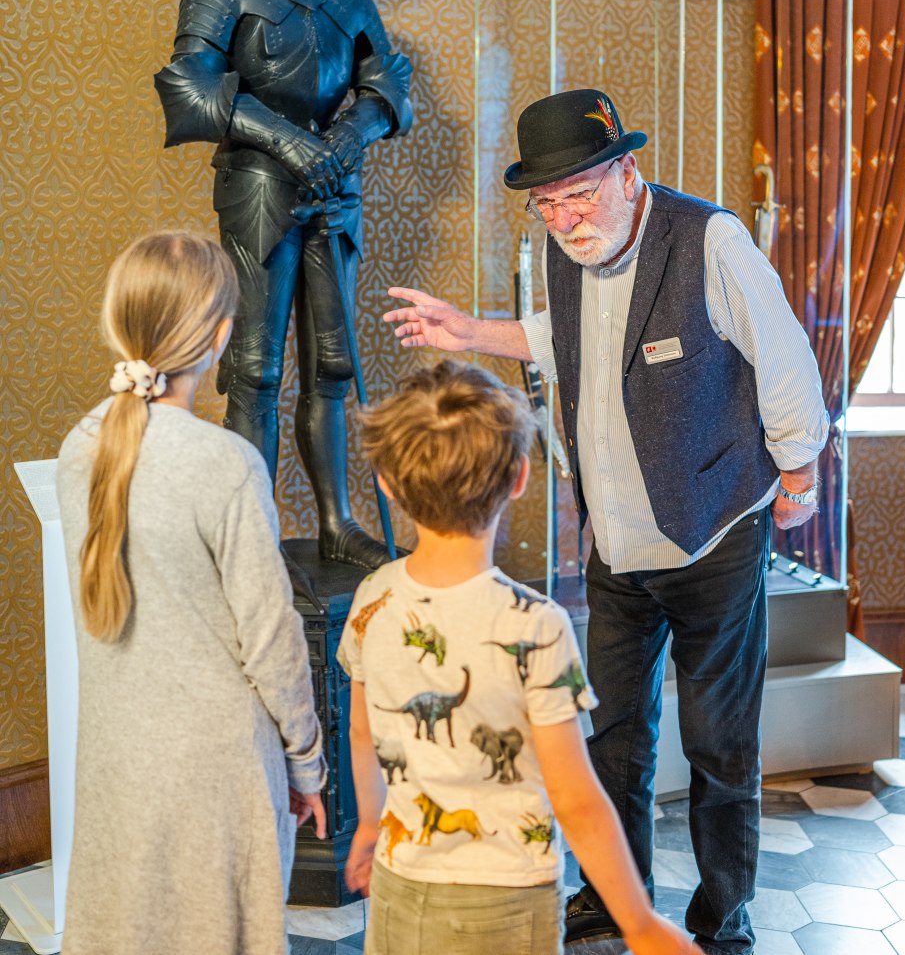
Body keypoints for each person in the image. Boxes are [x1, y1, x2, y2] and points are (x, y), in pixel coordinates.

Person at [382, 89, 829, 955]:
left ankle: (721, 918)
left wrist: (800, 473)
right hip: (616, 546)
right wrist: (466, 328)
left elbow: (783, 355)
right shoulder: (565, 253)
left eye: (579, 193)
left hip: (714, 536)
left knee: (718, 743)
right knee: (614, 737)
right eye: (546, 202)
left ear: (628, 170)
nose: (564, 217)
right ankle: (614, 902)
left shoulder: (710, 239)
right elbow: (563, 338)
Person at [337, 359, 693, 955]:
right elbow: (577, 798)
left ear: (388, 482)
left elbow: (361, 733)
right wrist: (638, 922)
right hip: (507, 898)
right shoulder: (537, 625)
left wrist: (371, 826)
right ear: (521, 476)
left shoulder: (371, 600)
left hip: (400, 885)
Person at [57, 231, 327, 955]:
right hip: (216, 773)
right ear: (220, 337)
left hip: (118, 763)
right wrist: (307, 761)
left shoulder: (80, 448)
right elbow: (272, 641)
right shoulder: (224, 464)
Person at [155, 0, 413, 570]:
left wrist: (346, 139)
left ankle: (335, 519)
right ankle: (252, 532)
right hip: (259, 185)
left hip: (336, 188)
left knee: (333, 361)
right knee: (257, 367)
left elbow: (389, 88)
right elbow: (188, 89)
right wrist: (289, 139)